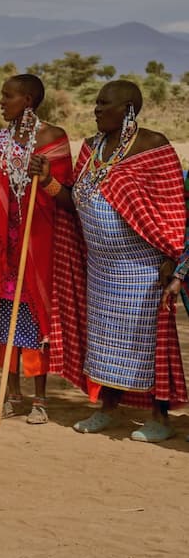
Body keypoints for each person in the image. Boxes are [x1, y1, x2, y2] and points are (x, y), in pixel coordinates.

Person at [55, 80, 187, 442]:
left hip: (143, 267)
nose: (96, 109)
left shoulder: (153, 147)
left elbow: (171, 207)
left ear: (128, 108)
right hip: (101, 267)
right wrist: (48, 183)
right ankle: (108, 410)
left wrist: (169, 256)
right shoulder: (91, 149)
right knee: (106, 343)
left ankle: (159, 418)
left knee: (147, 342)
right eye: (96, 103)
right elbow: (74, 202)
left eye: (104, 104)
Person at [0, 74, 72, 424]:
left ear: (28, 100)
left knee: (33, 318)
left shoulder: (52, 137)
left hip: (38, 240)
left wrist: (46, 178)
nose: (1, 102)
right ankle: (12, 395)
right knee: (5, 322)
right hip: (5, 244)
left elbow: (68, 197)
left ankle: (40, 400)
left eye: (8, 96)